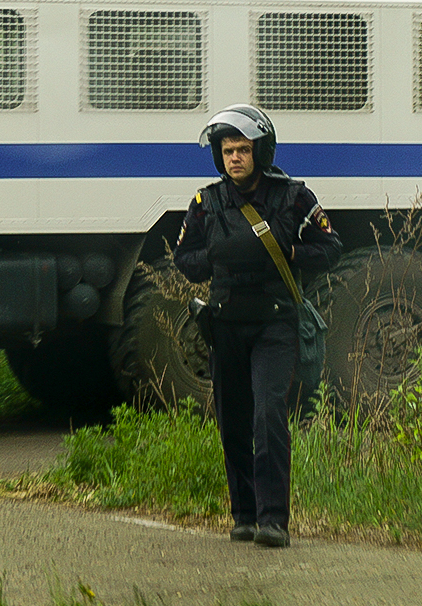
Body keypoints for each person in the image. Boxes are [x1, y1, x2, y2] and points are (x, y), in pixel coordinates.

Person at [173, 104, 341, 548]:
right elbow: (183, 259)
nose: (234, 159)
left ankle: (273, 520)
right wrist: (216, 256)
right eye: (227, 151)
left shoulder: (293, 197)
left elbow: (330, 249)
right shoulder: (206, 202)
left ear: (260, 152)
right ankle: (244, 515)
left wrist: (287, 253)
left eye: (243, 150)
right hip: (225, 325)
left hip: (274, 323)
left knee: (269, 416)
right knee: (232, 422)